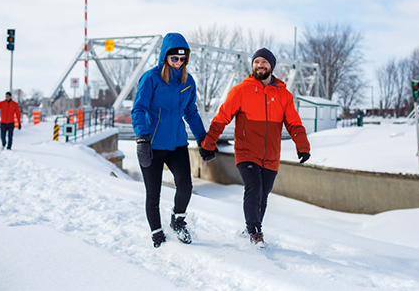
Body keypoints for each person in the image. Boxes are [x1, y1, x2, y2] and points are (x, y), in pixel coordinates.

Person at [199, 47, 311, 247]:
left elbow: (294, 123)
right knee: (254, 188)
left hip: (271, 154)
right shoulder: (241, 90)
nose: (260, 65)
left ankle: (251, 228)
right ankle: (255, 233)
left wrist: (302, 146)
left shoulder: (284, 95)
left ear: (271, 66)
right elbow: (221, 118)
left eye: (264, 62)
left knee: (264, 194)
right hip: (246, 151)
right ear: (253, 65)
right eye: (257, 62)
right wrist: (209, 143)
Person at [131, 32, 208, 248]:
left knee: (185, 185)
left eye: (183, 59)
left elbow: (190, 112)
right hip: (152, 145)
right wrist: (142, 138)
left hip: (176, 143)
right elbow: (138, 109)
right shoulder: (151, 78)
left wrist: (203, 138)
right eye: (174, 58)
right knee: (153, 193)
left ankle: (178, 221)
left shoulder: (187, 81)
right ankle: (157, 232)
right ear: (165, 57)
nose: (179, 63)